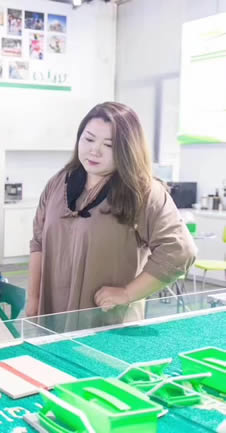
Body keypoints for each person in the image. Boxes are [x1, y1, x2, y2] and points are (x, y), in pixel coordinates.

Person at [27, 102, 196, 323]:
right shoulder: (58, 183)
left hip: (107, 323)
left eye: (109, 145)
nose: (94, 150)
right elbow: (38, 242)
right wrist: (34, 298)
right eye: (88, 139)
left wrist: (127, 293)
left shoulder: (143, 192)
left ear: (128, 149)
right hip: (53, 318)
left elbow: (180, 251)